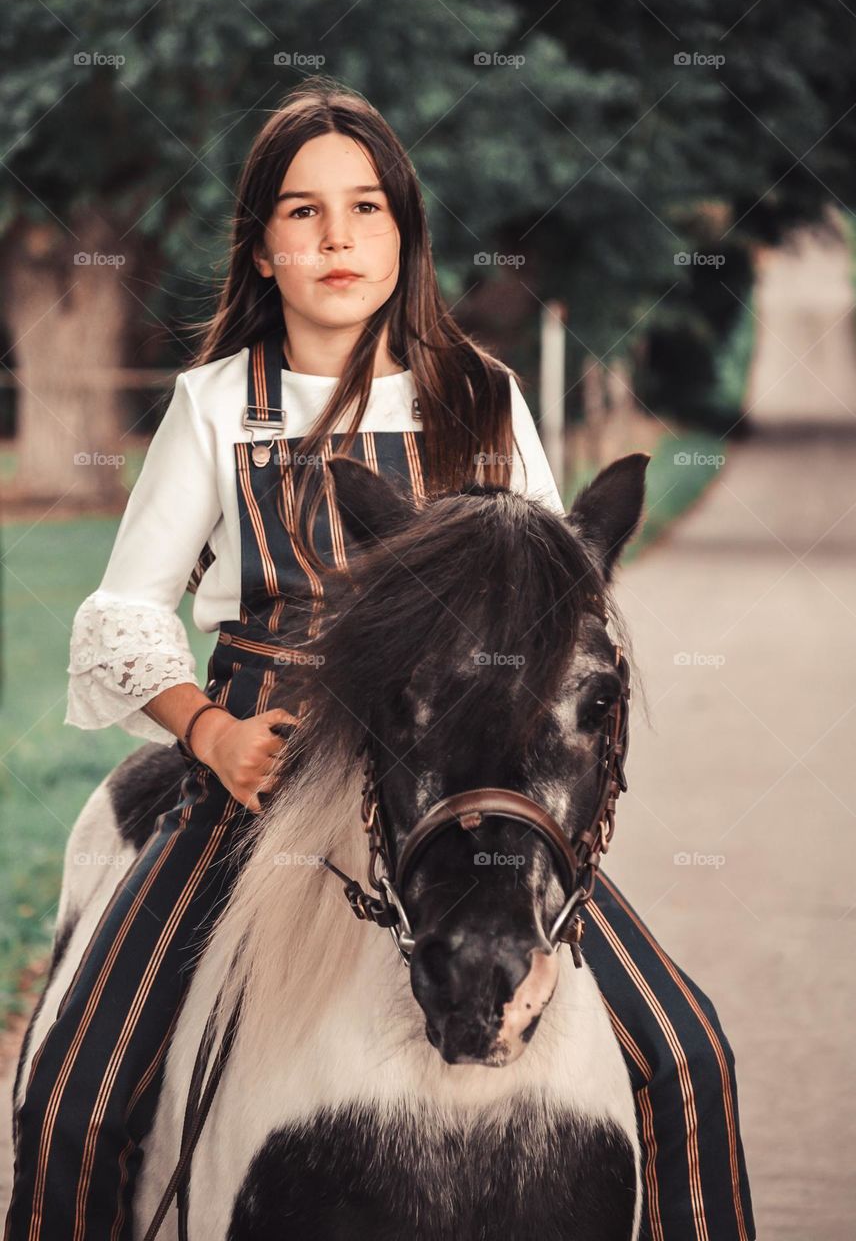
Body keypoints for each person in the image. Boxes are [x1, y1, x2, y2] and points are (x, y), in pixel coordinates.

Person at [4, 78, 755, 1240]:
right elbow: (126, 609)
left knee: (691, 1052)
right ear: (260, 247)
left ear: (405, 237)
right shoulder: (214, 405)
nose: (337, 237)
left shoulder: (479, 399)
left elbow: (560, 597)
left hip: (454, 768)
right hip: (265, 753)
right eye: (302, 213)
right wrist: (209, 732)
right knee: (73, 1091)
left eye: (366, 209)